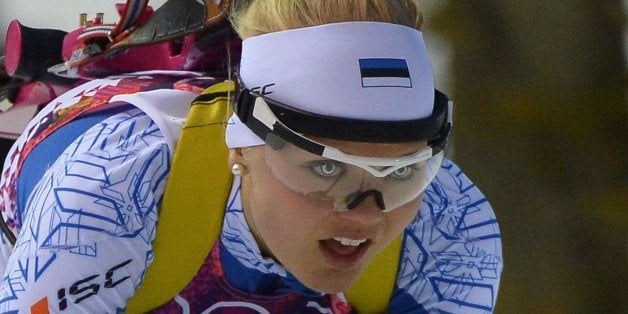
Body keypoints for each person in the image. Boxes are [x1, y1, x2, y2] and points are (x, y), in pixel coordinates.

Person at [0, 0, 503, 312]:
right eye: (326, 167)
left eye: (401, 172)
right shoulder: (109, 193)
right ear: (242, 145)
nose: (368, 213)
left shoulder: (449, 221)